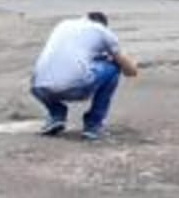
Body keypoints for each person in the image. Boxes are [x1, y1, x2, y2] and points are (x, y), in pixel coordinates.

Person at [31, 12, 139, 140]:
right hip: (75, 87)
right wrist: (131, 63)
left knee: (49, 74)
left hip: (39, 88)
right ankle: (93, 125)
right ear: (103, 25)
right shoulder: (102, 31)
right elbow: (131, 71)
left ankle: (56, 115)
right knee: (114, 68)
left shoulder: (63, 25)